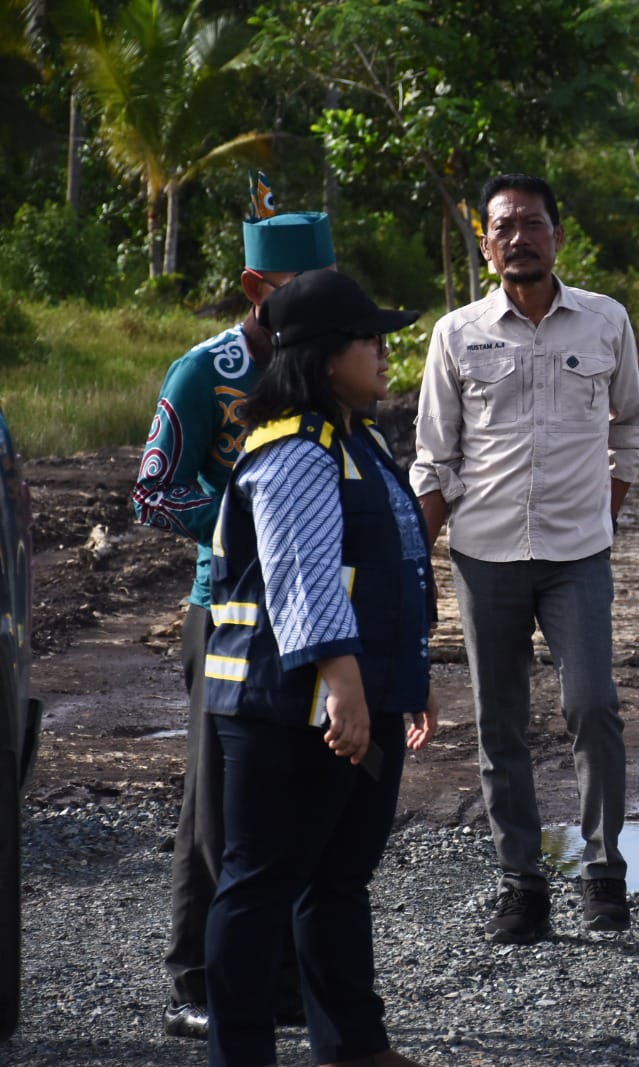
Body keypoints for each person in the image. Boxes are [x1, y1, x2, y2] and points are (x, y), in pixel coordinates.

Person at [203, 268, 436, 1067]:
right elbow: (303, 575)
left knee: (337, 878)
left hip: (357, 696)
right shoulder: (295, 450)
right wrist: (345, 686)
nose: (383, 352)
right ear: (325, 355)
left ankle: (353, 1047)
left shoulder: (357, 439)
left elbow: (397, 568)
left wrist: (407, 684)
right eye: (370, 339)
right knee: (260, 882)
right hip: (286, 706)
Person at [410, 173, 639, 940]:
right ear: (486, 243)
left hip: (579, 555)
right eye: (504, 225)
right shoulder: (456, 333)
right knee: (500, 725)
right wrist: (417, 554)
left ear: (558, 236)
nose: (520, 237)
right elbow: (435, 458)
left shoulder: (606, 322)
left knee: (593, 707)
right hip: (485, 554)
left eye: (534, 223)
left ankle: (604, 873)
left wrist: (603, 510)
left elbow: (632, 427)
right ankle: (522, 883)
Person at [132, 207, 335, 1040]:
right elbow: (151, 491)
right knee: (213, 804)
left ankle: (278, 979)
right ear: (257, 290)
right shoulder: (204, 372)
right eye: (300, 294)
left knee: (289, 796)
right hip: (223, 608)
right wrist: (243, 513)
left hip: (306, 609)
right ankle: (200, 980)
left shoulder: (319, 363)